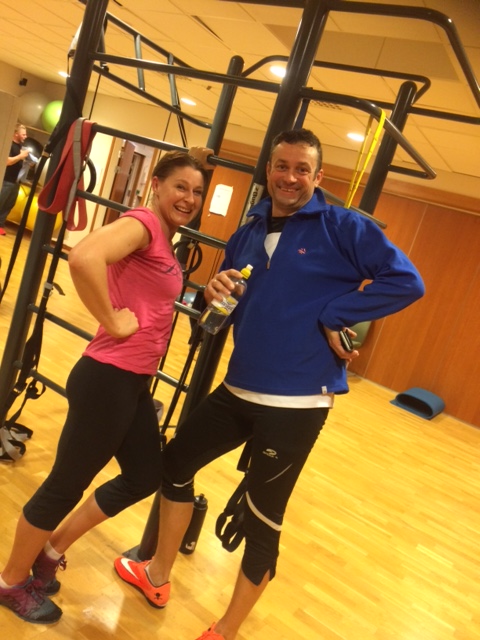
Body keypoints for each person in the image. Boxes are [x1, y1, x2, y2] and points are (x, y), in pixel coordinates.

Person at [114, 128, 425, 640]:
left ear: (318, 176)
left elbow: (408, 281)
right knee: (175, 464)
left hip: (298, 402)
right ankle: (158, 574)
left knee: (263, 518)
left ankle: (225, 630)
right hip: (239, 387)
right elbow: (227, 303)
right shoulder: (249, 230)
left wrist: (337, 313)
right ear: (269, 170)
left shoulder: (344, 227)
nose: (290, 177)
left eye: (302, 168)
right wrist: (210, 294)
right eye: (282, 166)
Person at [0, 150, 208, 623]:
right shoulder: (144, 224)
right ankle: (10, 581)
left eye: (197, 191)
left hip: (132, 382)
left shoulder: (163, 235)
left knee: (144, 475)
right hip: (107, 378)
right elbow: (84, 255)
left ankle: (50, 552)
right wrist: (112, 321)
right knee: (64, 485)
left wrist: (194, 159)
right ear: (156, 185)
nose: (189, 198)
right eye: (180, 186)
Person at [0, 123, 30, 235]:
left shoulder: (20, 147)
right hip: (6, 180)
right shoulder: (9, 145)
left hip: (15, 182)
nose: (25, 136)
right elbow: (7, 161)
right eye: (23, 134)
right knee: (1, 202)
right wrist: (21, 156)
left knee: (9, 204)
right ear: (16, 134)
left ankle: (0, 225)